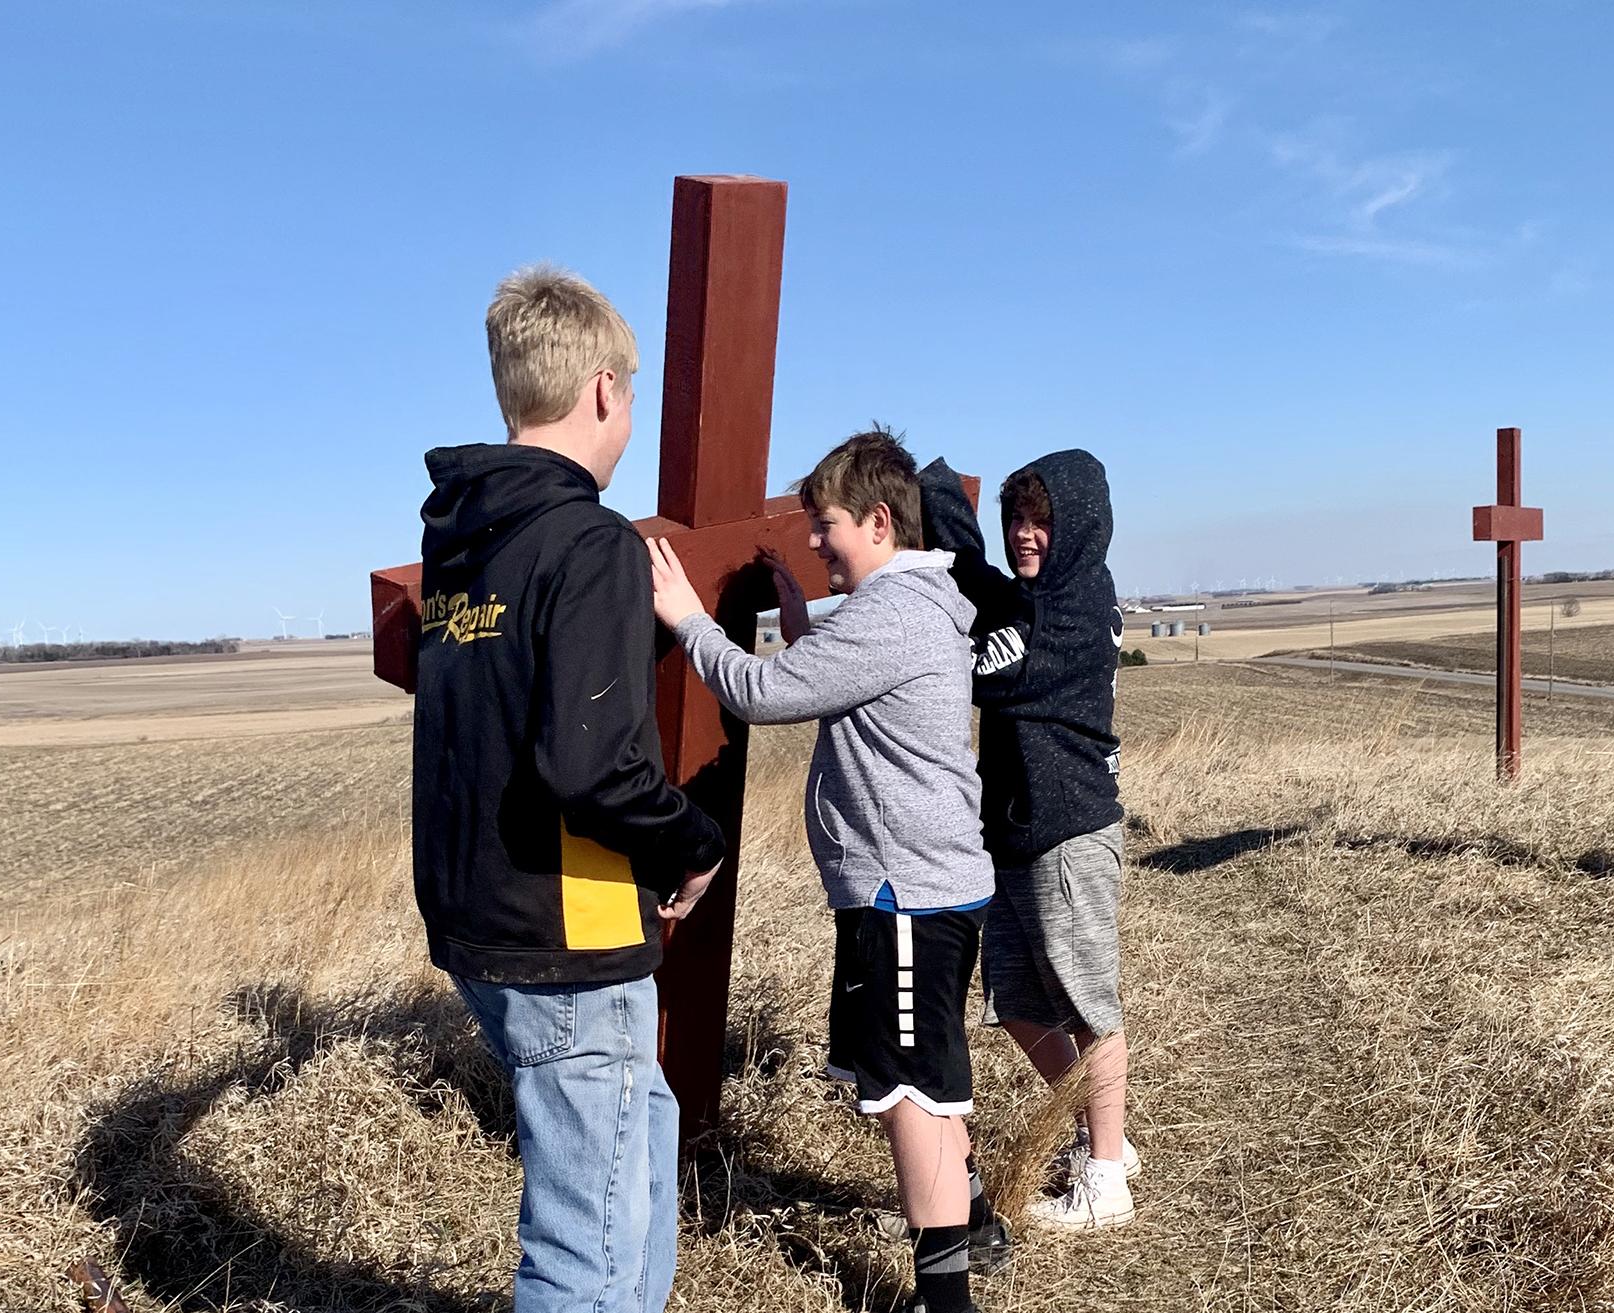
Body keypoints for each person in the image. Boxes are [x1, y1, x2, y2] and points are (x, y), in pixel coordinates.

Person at [412, 266, 725, 1313]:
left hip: (480, 920)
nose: (629, 415)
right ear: (603, 390)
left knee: (643, 1141)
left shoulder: (464, 545)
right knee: (581, 1246)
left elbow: (503, 714)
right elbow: (591, 763)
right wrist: (693, 842)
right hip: (569, 932)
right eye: (630, 394)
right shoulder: (591, 541)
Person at [648, 430, 999, 1313]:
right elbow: (844, 682)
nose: (812, 540)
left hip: (905, 895)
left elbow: (761, 692)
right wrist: (800, 621)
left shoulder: (890, 615)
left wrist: (687, 616)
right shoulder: (913, 606)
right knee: (927, 1071)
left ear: (880, 522)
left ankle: (946, 1299)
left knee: (912, 1092)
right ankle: (978, 1221)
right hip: (923, 888)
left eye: (826, 523)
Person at [919, 451, 1137, 1230]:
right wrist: (937, 490)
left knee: (1087, 1004)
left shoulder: (1066, 615)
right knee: (1013, 1001)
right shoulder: (1041, 598)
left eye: (1042, 520)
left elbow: (974, 668)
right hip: (1016, 831)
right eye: (1016, 518)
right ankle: (1103, 1132)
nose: (1024, 534)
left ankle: (1106, 1178)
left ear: (1076, 527)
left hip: (1067, 831)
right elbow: (982, 578)